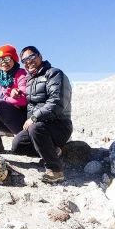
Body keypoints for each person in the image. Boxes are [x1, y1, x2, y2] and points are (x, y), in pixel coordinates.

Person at [11, 46, 73, 183]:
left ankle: (55, 170)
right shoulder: (30, 80)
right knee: (17, 145)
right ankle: (53, 150)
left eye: (31, 57)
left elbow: (57, 103)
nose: (28, 62)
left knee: (35, 127)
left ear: (39, 56)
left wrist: (34, 118)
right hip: (40, 126)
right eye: (24, 60)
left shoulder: (54, 74)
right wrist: (16, 93)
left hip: (59, 125)